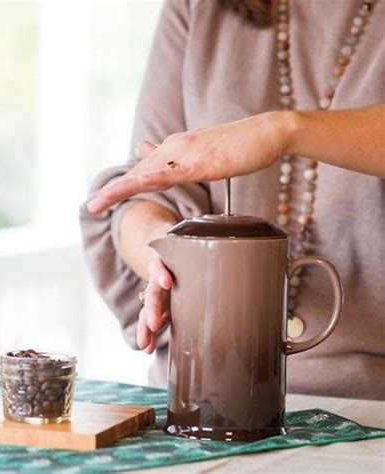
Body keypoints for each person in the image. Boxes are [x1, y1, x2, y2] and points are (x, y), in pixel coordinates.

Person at [80, 0, 385, 399]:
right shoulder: (199, 7)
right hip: (198, 400)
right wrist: (165, 258)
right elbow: (145, 189)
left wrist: (282, 130)